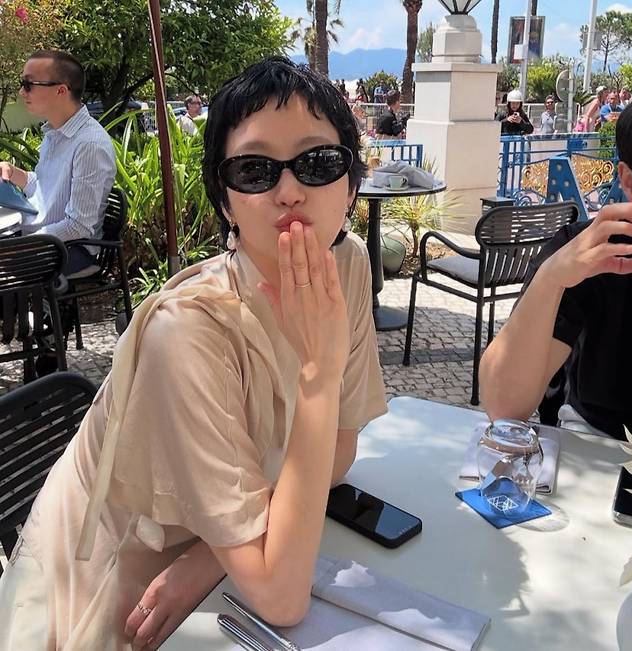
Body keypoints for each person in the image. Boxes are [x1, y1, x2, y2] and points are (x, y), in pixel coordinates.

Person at [0, 56, 387, 649]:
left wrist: (214, 555)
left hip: (233, 549)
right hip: (115, 583)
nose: (289, 191)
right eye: (254, 170)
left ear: (352, 184)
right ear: (226, 202)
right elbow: (282, 598)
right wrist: (318, 373)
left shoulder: (346, 266)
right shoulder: (186, 331)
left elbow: (339, 448)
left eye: (317, 163)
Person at [479, 87, 632, 445]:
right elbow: (504, 406)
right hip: (600, 447)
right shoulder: (593, 254)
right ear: (630, 182)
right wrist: (550, 279)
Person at [0, 49, 116, 276]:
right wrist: (13, 173)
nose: (22, 92)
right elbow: (44, 187)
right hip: (40, 237)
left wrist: (20, 246)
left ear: (61, 90)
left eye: (29, 84)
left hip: (68, 250)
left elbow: (77, 226)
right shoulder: (55, 132)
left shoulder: (90, 144)